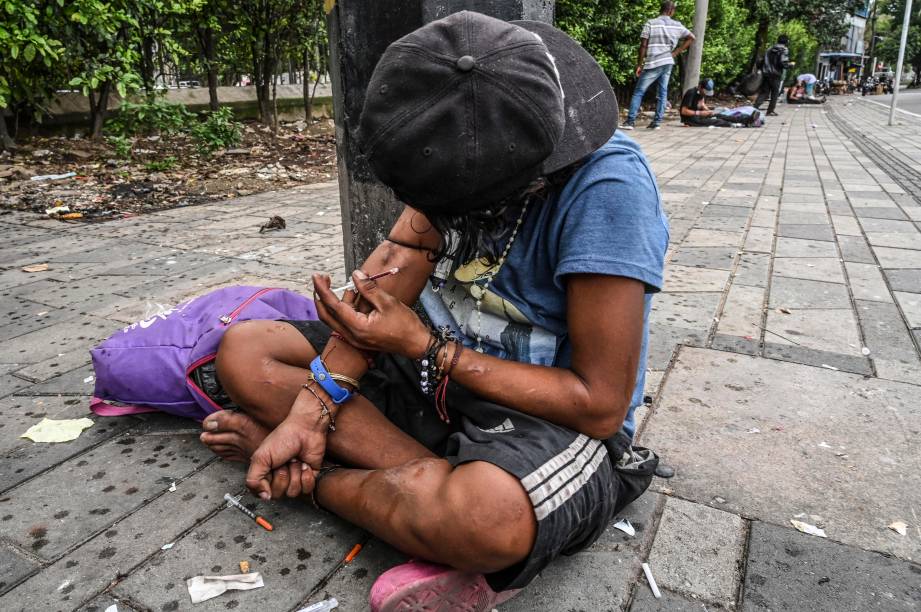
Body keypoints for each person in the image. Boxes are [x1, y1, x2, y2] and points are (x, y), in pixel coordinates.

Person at [196, 11, 667, 612]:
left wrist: (427, 348)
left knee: (485, 519)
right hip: (428, 380)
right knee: (247, 351)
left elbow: (599, 405)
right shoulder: (455, 137)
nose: (426, 221)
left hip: (546, 418)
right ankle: (426, 492)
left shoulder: (609, 190)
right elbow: (400, 259)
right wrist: (310, 413)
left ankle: (330, 486)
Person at [622, 1, 695, 130]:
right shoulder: (677, 25)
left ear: (661, 10)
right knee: (662, 93)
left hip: (653, 62)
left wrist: (639, 64)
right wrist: (676, 52)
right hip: (667, 62)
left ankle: (630, 121)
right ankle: (656, 123)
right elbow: (691, 37)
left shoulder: (651, 23)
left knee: (639, 92)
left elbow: (643, 45)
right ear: (671, 11)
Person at [754, 34, 794, 116]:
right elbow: (783, 62)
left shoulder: (770, 49)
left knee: (764, 92)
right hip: (776, 74)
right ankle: (770, 111)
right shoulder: (784, 49)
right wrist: (790, 65)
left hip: (766, 73)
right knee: (775, 93)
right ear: (786, 41)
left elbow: (762, 61)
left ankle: (754, 108)